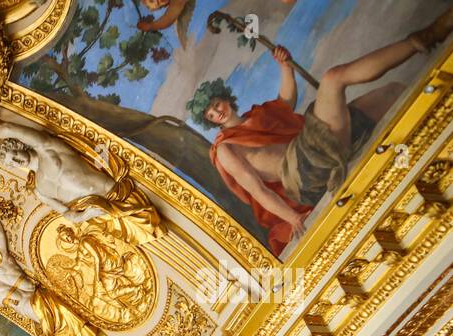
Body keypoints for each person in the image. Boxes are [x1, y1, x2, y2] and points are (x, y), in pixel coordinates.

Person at [193, 9, 453, 255]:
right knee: (333, 79)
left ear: (225, 99)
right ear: (211, 122)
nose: (218, 113)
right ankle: (425, 37)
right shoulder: (226, 148)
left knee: (391, 93)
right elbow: (258, 190)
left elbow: (285, 101)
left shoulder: (256, 115)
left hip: (313, 146)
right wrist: (292, 217)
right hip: (305, 173)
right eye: (211, 115)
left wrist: (285, 67)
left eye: (217, 105)